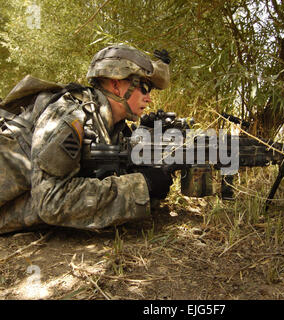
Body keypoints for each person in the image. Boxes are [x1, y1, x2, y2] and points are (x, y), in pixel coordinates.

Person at [0, 44, 173, 234]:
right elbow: (50, 201)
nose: (149, 99)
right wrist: (142, 186)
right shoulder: (71, 117)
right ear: (117, 84)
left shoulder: (109, 125)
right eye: (145, 88)